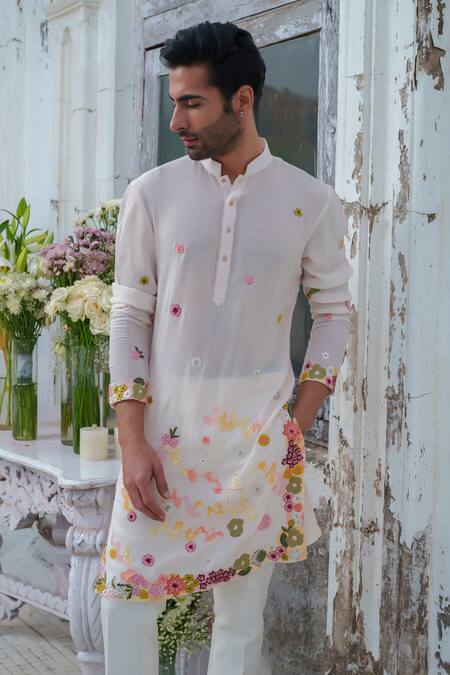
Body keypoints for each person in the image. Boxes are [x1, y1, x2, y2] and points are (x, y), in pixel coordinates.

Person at [94, 20, 353, 675]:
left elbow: (333, 312)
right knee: (128, 599)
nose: (176, 120)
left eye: (192, 103)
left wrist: (297, 424)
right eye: (173, 101)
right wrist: (132, 440)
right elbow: (129, 315)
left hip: (255, 442)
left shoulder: (310, 201)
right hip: (162, 437)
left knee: (240, 622)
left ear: (242, 100)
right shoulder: (152, 194)